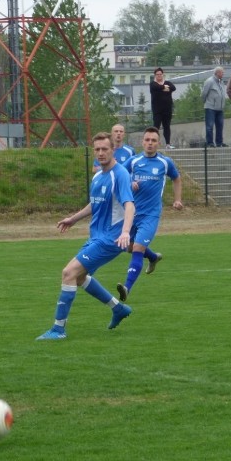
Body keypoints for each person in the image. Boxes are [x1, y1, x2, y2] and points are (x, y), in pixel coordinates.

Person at [36, 132, 136, 340]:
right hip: (97, 236)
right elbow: (95, 203)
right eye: (97, 149)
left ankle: (58, 329)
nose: (100, 153)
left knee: (68, 273)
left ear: (113, 150)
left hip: (111, 239)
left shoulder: (121, 174)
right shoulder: (98, 176)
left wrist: (125, 231)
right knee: (79, 277)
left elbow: (129, 205)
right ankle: (118, 308)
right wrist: (73, 219)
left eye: (104, 149)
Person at [116, 126, 183, 301]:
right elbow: (119, 175)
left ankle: (126, 287)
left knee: (137, 249)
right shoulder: (134, 161)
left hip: (151, 215)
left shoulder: (165, 162)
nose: (150, 143)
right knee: (129, 247)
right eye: (147, 140)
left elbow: (176, 178)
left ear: (158, 143)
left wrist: (177, 199)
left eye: (153, 140)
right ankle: (153, 257)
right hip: (132, 213)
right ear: (142, 142)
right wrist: (130, 181)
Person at [149, 67, 177, 149]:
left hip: (167, 109)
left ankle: (168, 144)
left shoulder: (168, 82)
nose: (159, 76)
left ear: (163, 75)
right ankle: (154, 143)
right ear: (155, 75)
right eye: (157, 74)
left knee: (167, 126)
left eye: (160, 74)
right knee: (156, 127)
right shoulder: (152, 84)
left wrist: (163, 87)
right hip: (157, 110)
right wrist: (164, 87)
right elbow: (155, 87)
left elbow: (173, 88)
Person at [201, 66, 227, 147]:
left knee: (220, 126)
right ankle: (210, 143)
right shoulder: (209, 81)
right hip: (210, 108)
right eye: (222, 72)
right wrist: (207, 103)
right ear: (217, 73)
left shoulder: (221, 82)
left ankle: (219, 143)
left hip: (220, 108)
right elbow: (203, 94)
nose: (223, 74)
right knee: (210, 126)